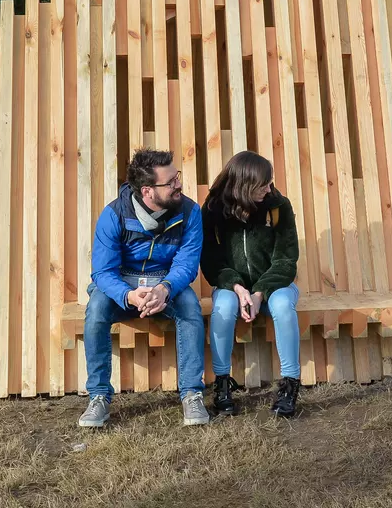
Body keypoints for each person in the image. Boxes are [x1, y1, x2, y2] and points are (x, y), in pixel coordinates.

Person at [79, 148, 208, 428]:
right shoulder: (114, 214)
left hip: (165, 281)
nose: (179, 185)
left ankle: (192, 394)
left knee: (189, 305)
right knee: (97, 307)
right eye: (171, 182)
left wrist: (165, 288)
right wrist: (128, 296)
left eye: (177, 177)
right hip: (123, 283)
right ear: (147, 191)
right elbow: (102, 272)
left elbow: (187, 263)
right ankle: (99, 397)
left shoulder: (189, 212)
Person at [201, 151, 301, 418]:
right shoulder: (213, 209)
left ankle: (290, 385)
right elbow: (210, 260)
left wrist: (259, 292)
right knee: (222, 305)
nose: (269, 189)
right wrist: (237, 286)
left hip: (273, 286)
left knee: (281, 305)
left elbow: (286, 260)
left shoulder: (278, 207)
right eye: (263, 185)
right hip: (233, 288)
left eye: (270, 182)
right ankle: (222, 384)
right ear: (244, 186)